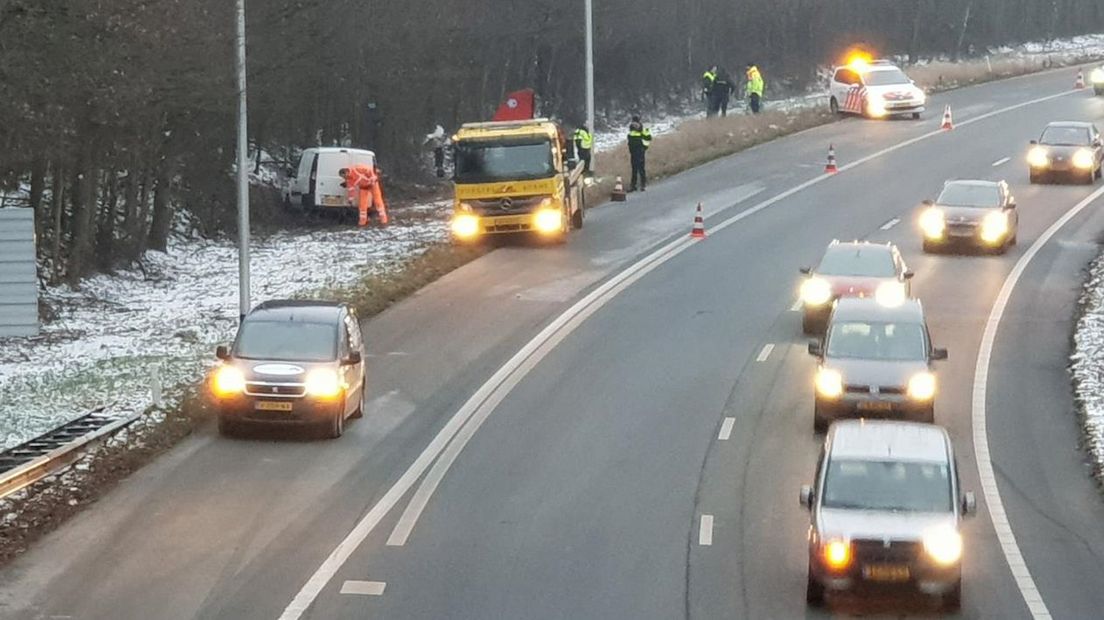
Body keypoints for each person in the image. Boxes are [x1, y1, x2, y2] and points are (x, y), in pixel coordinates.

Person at [627, 115, 652, 192]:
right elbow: (648, 138)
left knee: (639, 169)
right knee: (636, 169)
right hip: (636, 152)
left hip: (638, 151)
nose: (635, 124)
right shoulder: (633, 131)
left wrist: (644, 147)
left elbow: (648, 138)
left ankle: (640, 185)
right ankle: (636, 185)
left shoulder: (639, 130)